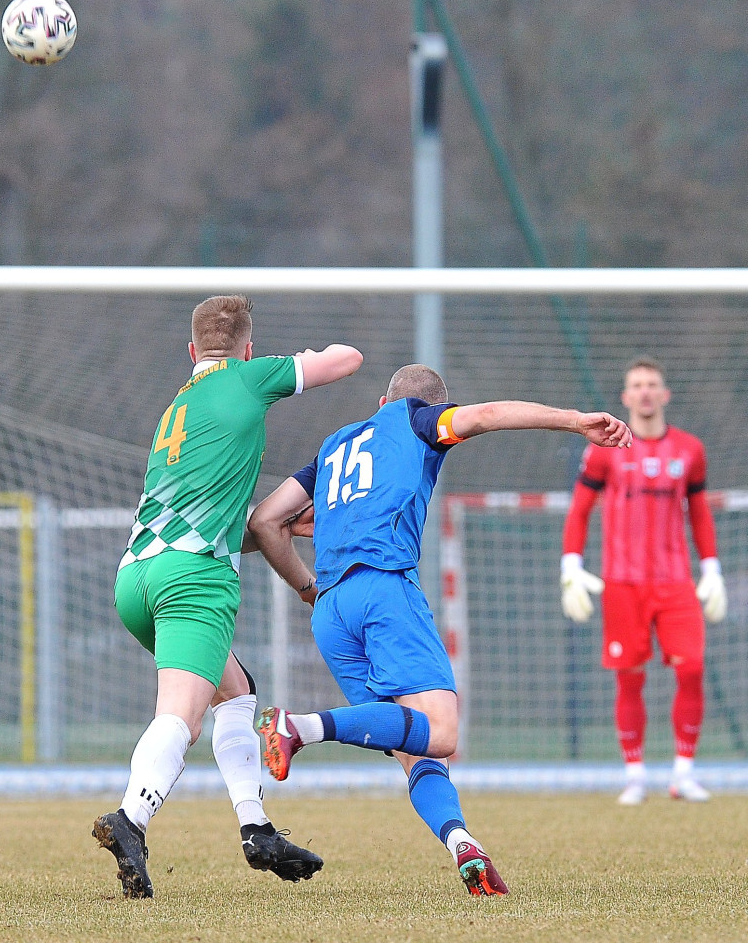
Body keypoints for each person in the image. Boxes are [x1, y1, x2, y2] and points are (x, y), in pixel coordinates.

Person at [247, 363, 632, 897]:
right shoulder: (417, 421)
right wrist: (575, 421)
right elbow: (490, 416)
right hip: (384, 591)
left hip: (331, 613)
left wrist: (307, 586)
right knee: (445, 733)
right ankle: (300, 727)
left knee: (418, 749)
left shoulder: (333, 448)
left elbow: (266, 521)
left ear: (380, 399)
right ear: (424, 407)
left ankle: (462, 845)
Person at [92, 294, 363, 898]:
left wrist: (272, 531)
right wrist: (286, 363)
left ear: (191, 351)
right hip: (192, 580)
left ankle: (258, 830)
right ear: (244, 347)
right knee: (180, 717)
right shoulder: (248, 375)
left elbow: (203, 521)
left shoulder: (176, 407)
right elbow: (347, 359)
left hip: (137, 575)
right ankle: (129, 819)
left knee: (236, 694)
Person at [560, 356, 727, 806]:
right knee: (629, 679)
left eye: (653, 383)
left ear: (664, 394)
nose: (646, 391)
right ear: (626, 397)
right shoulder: (604, 449)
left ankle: (683, 774)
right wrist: (570, 563)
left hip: (675, 582)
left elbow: (701, 512)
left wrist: (711, 567)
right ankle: (635, 774)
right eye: (638, 384)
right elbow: (579, 509)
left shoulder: (690, 449)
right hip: (623, 583)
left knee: (691, 669)